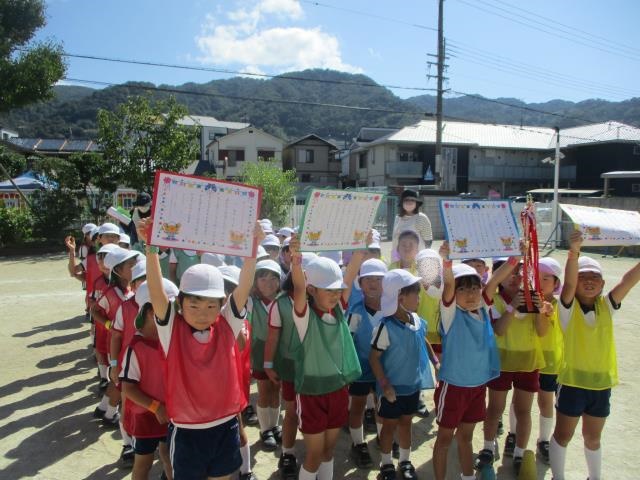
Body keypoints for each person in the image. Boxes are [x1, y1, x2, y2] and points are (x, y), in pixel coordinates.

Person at [137, 217, 262, 480]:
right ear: (180, 304)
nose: (202, 313)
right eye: (194, 305)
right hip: (186, 431)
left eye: (211, 306)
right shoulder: (171, 330)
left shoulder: (227, 325)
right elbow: (157, 293)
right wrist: (150, 248)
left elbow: (243, 287)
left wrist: (252, 248)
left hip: (225, 426)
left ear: (221, 305)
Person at [550, 231, 640, 480]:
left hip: (600, 384)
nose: (589, 281)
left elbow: (628, 281)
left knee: (593, 437)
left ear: (602, 284)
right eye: (583, 277)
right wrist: (574, 252)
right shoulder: (567, 309)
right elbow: (568, 286)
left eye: (595, 277)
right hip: (572, 383)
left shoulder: (606, 306)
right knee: (563, 435)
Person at [431, 243, 514, 480]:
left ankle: (467, 477)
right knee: (444, 439)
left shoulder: (483, 307)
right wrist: (446, 261)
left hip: (478, 387)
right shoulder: (450, 314)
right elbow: (448, 284)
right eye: (463, 289)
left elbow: (495, 280)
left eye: (475, 288)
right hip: (454, 387)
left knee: (466, 438)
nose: (471, 294)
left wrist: (516, 257)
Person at [289, 235, 365, 480]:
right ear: (312, 290)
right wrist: (296, 260)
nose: (335, 294)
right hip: (311, 393)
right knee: (314, 454)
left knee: (328, 450)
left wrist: (360, 246)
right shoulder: (304, 316)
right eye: (328, 290)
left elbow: (350, 274)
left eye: (337, 290)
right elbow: (298, 288)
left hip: (338, 389)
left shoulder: (338, 310)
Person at [476, 255, 551, 476]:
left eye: (519, 272)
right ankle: (488, 447)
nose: (515, 277)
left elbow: (542, 332)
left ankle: (519, 452)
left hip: (528, 363)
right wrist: (512, 306)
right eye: (509, 272)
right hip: (501, 362)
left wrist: (541, 311)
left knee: (523, 411)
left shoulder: (533, 298)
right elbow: (499, 330)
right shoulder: (494, 300)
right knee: (495, 409)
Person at [369, 269, 435, 480]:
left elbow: (423, 339)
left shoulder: (416, 320)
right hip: (392, 389)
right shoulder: (385, 326)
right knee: (389, 426)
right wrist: (385, 384)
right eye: (415, 293)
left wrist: (435, 361)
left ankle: (405, 462)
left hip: (412, 386)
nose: (419, 298)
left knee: (406, 423)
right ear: (400, 298)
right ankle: (386, 464)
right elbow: (374, 358)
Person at [263, 254, 317, 480]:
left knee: (313, 411)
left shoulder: (320, 299)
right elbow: (273, 336)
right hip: (290, 365)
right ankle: (288, 453)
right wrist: (268, 364)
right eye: (301, 274)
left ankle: (317, 455)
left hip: (315, 366)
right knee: (292, 411)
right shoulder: (281, 303)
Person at [120, 278, 178, 480]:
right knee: (143, 464)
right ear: (151, 312)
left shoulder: (171, 341)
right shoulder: (136, 348)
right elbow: (128, 388)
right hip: (145, 417)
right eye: (171, 310)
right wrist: (156, 407)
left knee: (169, 457)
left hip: (171, 414)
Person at [347, 258, 387, 469]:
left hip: (385, 369)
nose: (373, 283)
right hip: (360, 369)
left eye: (379, 279)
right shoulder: (355, 311)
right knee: (358, 406)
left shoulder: (391, 309)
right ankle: (358, 443)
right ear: (360, 283)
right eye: (368, 279)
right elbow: (347, 341)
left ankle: (382, 437)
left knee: (383, 406)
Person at [247, 259, 284, 451]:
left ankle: (274, 425)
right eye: (262, 279)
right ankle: (265, 430)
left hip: (281, 352)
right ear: (255, 282)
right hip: (260, 351)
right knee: (263, 390)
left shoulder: (283, 301)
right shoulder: (251, 303)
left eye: (273, 278)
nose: (268, 283)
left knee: (276, 390)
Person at [391, 189, 433, 260]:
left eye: (412, 200)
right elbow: (395, 240)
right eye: (406, 200)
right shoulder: (398, 218)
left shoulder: (421, 217)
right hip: (398, 257)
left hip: (416, 258)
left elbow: (428, 240)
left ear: (416, 203)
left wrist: (424, 257)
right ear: (402, 203)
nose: (409, 202)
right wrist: (394, 258)